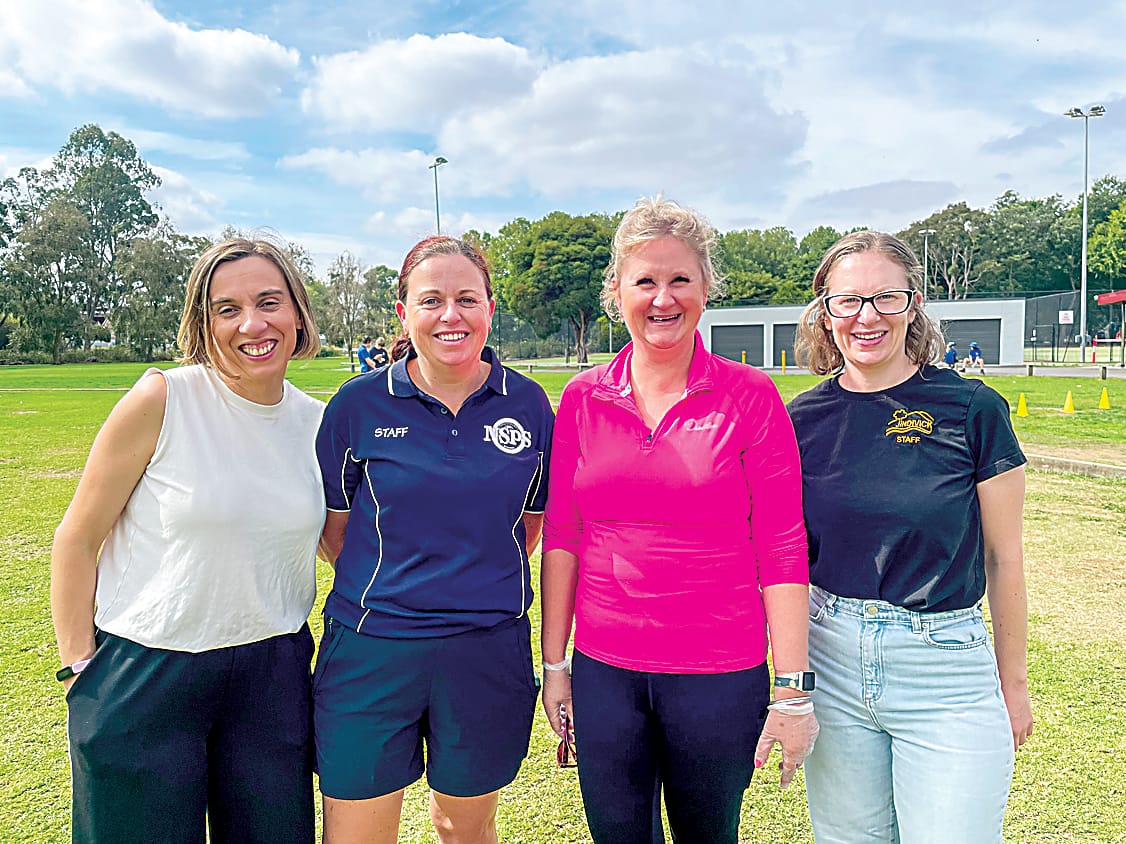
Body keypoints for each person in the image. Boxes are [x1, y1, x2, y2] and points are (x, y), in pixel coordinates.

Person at [540, 197, 818, 844]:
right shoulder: (583, 398)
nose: (662, 299)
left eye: (679, 280)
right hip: (606, 670)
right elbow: (564, 536)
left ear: (706, 288)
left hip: (719, 674)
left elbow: (781, 545)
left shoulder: (750, 396)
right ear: (616, 292)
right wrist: (555, 664)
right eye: (645, 281)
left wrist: (793, 690)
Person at [51, 237, 326, 844]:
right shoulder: (164, 397)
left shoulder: (317, 423)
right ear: (204, 321)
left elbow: (348, 547)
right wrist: (78, 670)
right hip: (146, 671)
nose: (252, 324)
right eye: (227, 309)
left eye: (269, 302)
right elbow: (76, 538)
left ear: (298, 313)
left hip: (271, 674)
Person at [789, 231, 1032, 843]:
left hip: (944, 667)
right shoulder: (799, 421)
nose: (866, 317)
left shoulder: (971, 409)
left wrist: (1013, 684)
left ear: (913, 304)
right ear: (825, 312)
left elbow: (1005, 560)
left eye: (885, 298)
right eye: (847, 301)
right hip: (832, 660)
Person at [314, 236, 554, 844]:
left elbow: (527, 524)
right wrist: (404, 587)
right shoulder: (356, 405)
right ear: (404, 312)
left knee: (465, 827)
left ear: (490, 309)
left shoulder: (529, 405)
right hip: (372, 650)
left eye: (466, 298)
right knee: (357, 834)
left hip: (485, 650)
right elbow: (334, 530)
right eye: (432, 300)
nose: (451, 315)